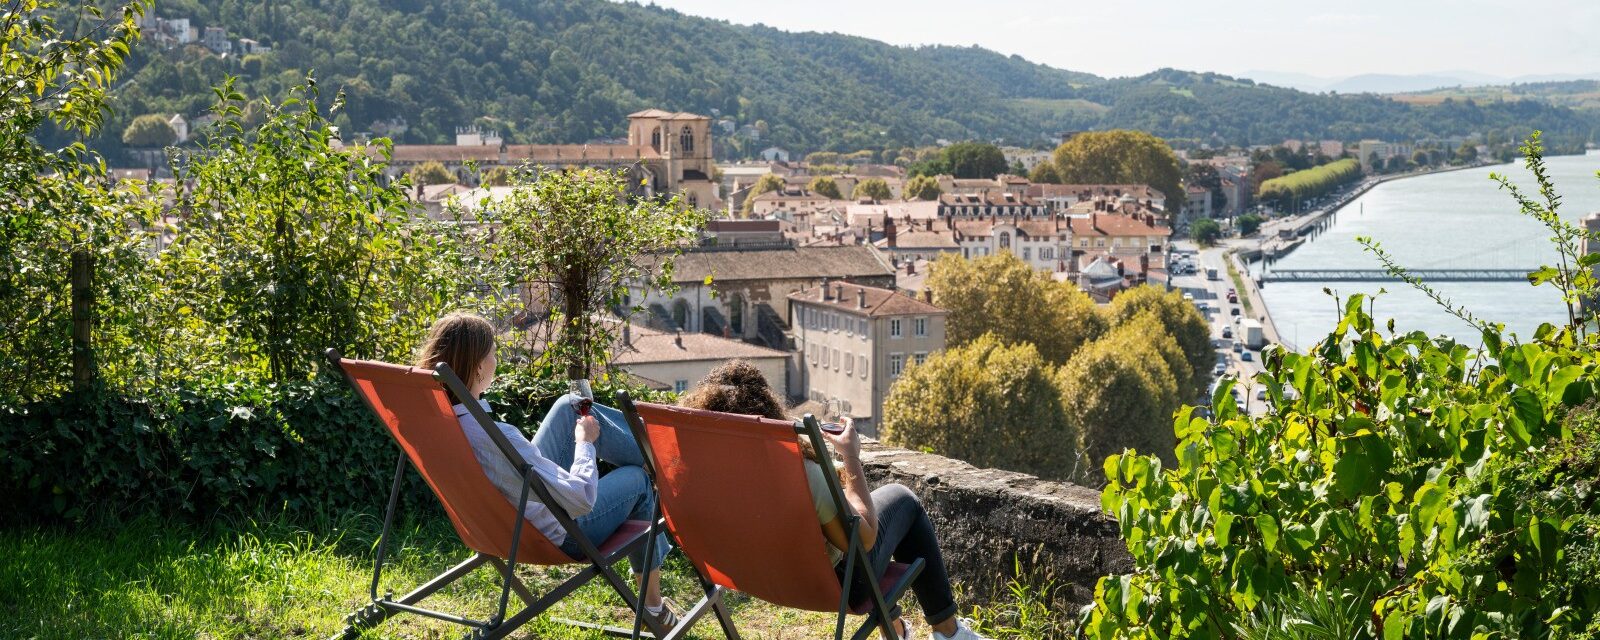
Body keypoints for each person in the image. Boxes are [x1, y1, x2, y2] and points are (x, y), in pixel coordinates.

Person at [677, 361, 991, 640]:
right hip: (830, 589)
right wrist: (851, 457)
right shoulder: (802, 476)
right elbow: (863, 540)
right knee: (901, 499)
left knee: (865, 510)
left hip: (747, 576)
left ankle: (895, 631)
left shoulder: (692, 473)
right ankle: (950, 633)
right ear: (768, 412)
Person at [414, 311, 677, 627]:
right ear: (479, 366)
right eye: (494, 353)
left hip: (505, 516)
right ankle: (653, 607)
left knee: (569, 407)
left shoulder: (438, 425)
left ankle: (658, 453)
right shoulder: (498, 437)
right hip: (556, 532)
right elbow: (580, 500)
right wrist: (585, 443)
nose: (497, 359)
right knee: (638, 479)